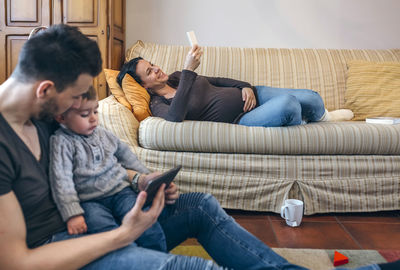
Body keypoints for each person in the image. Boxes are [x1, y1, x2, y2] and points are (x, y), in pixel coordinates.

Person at [0, 24, 394, 270]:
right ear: (45, 90)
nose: (79, 109)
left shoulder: (50, 113)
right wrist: (122, 236)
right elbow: (16, 262)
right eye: (73, 98)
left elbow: (91, 164)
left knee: (200, 205)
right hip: (67, 246)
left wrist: (141, 180)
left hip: (106, 219)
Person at [49, 85, 166, 251]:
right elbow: (61, 180)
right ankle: (128, 258)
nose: (93, 119)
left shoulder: (103, 133)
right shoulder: (61, 142)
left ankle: (160, 259)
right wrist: (73, 213)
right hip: (90, 202)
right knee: (105, 233)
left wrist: (145, 176)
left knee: (147, 226)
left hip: (121, 192)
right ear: (61, 117)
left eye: (95, 111)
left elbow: (126, 156)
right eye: (84, 114)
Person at [117, 45, 353, 127]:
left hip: (257, 95)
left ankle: (323, 118)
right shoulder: (159, 103)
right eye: (150, 72)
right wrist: (189, 70)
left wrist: (245, 87)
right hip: (242, 118)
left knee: (311, 97)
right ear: (145, 86)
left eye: (153, 64)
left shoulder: (177, 76)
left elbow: (219, 81)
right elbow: (175, 118)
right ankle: (297, 118)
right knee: (289, 104)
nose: (157, 69)